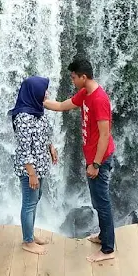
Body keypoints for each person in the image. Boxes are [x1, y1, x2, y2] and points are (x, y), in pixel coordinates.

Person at [43, 58, 116, 263]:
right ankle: (103, 236)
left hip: (99, 160)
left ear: (84, 77)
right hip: (92, 158)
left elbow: (104, 135)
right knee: (97, 200)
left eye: (74, 77)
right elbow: (62, 105)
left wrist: (96, 164)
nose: (72, 81)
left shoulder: (99, 99)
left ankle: (108, 249)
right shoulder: (85, 93)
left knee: (102, 202)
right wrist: (41, 101)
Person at [9, 76, 58, 255]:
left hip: (40, 165)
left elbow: (43, 134)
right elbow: (23, 149)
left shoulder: (37, 110)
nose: (46, 93)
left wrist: (51, 146)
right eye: (44, 90)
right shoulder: (22, 117)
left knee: (35, 199)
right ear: (34, 92)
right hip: (30, 169)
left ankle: (30, 234)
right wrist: (31, 174)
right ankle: (27, 241)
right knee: (29, 202)